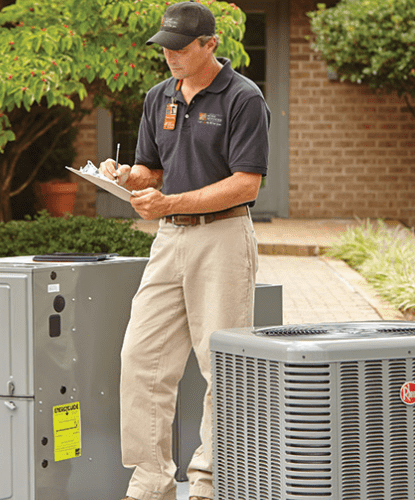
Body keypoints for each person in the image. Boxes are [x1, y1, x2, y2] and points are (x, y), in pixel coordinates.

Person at [98, 2, 270, 499]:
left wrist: (168, 199)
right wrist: (126, 176)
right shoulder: (159, 98)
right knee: (141, 356)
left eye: (179, 47)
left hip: (222, 238)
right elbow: (150, 168)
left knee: (222, 364)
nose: (169, 55)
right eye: (164, 47)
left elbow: (245, 184)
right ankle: (150, 482)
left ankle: (210, 484)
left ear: (209, 44)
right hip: (169, 240)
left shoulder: (243, 97)